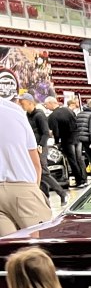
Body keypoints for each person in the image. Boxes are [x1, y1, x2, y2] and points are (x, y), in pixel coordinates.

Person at [0, 96, 51, 231]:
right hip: (22, 188)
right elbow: (35, 164)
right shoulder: (14, 112)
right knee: (39, 248)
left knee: (9, 250)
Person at [48, 96, 83, 188]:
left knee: (72, 160)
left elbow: (56, 131)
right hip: (77, 137)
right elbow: (76, 121)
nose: (46, 107)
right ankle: (83, 179)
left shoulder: (52, 116)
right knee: (79, 159)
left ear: (51, 103)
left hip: (67, 139)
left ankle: (79, 180)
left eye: (47, 105)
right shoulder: (68, 110)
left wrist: (56, 142)